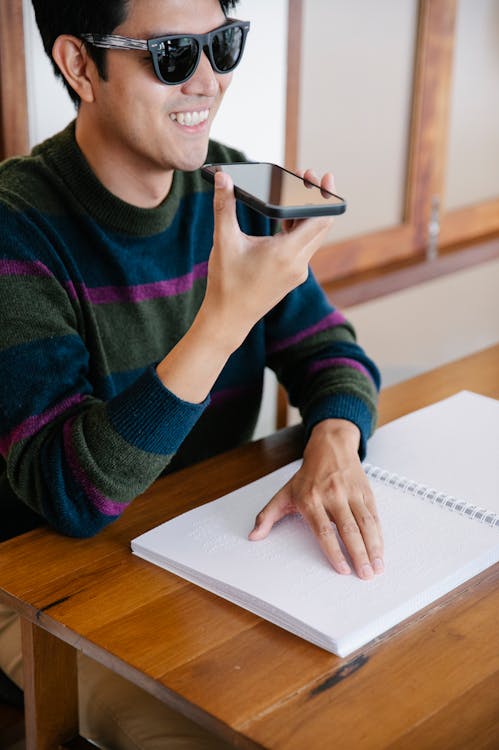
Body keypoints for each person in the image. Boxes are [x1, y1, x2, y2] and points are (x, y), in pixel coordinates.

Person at [0, 0, 382, 746]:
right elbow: (68, 493)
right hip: (47, 590)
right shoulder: (18, 230)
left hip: (212, 550)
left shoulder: (233, 192)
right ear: (81, 66)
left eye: (224, 45)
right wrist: (222, 321)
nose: (208, 80)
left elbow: (332, 352)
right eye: (173, 53)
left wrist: (335, 442)